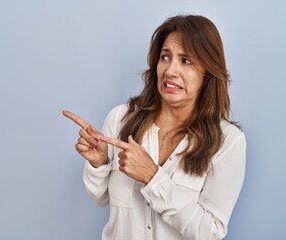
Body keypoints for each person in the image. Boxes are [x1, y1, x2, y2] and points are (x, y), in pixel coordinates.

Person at [63, 14, 246, 240]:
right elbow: (100, 198)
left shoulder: (228, 142)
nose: (170, 70)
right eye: (165, 57)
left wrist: (153, 178)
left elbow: (210, 231)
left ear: (207, 73)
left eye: (186, 61)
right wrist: (99, 163)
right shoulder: (120, 118)